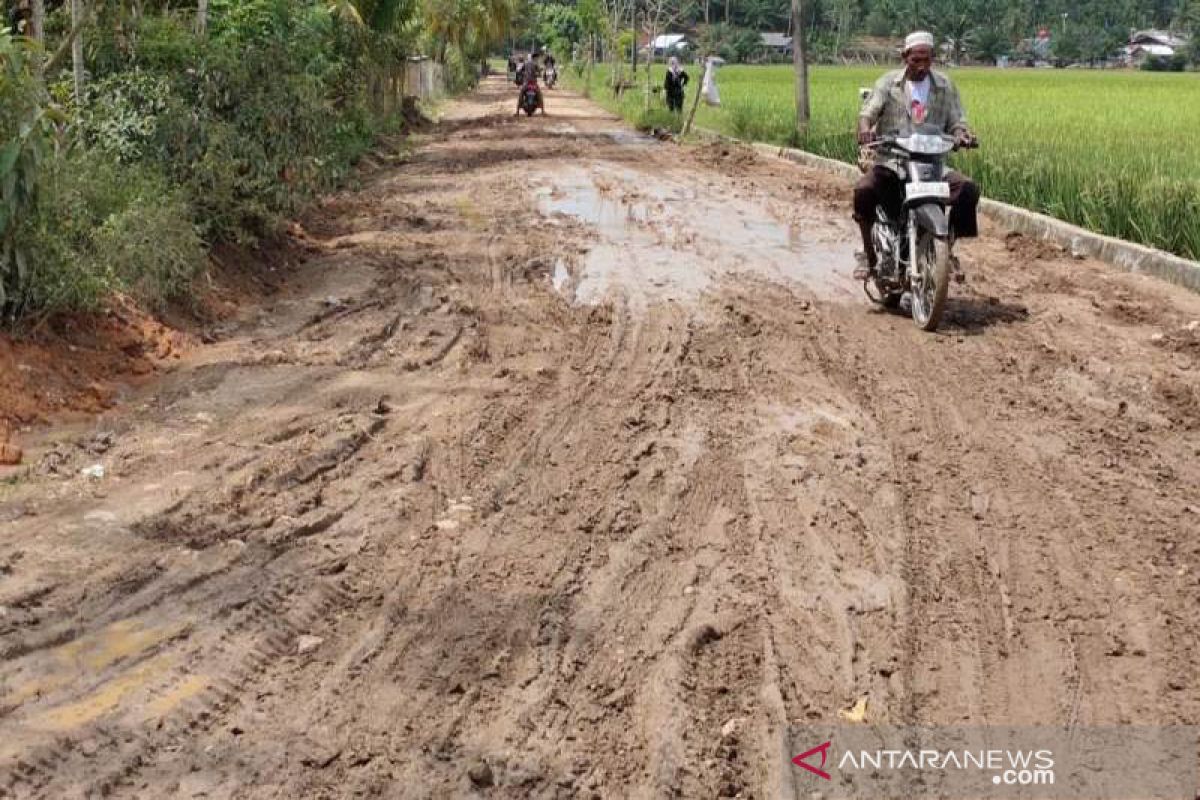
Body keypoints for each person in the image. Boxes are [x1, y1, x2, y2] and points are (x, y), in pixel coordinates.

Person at [853, 30, 979, 281]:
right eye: (915, 60)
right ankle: (868, 255)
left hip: (931, 165)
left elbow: (957, 121)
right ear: (905, 57)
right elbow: (868, 113)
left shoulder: (944, 86)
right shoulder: (888, 84)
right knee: (864, 190)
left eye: (927, 60)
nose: (921, 66)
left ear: (933, 58)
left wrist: (961, 135)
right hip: (893, 162)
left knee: (967, 189)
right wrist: (866, 131)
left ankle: (946, 246)